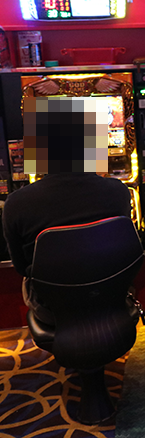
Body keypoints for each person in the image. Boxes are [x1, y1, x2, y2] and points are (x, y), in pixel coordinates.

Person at [2, 97, 131, 325]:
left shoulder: (16, 203)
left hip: (53, 308)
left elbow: (21, 267)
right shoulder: (118, 191)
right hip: (110, 299)